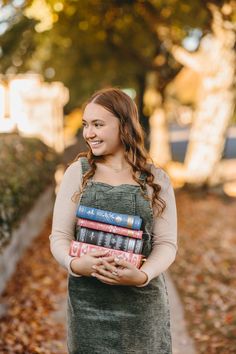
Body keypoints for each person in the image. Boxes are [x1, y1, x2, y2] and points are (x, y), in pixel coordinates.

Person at [49, 87, 177, 354]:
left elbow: (166, 244)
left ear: (124, 125)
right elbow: (59, 237)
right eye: (86, 125)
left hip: (143, 308)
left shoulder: (156, 179)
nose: (88, 134)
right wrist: (75, 264)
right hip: (88, 306)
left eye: (98, 124)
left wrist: (142, 276)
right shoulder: (78, 173)